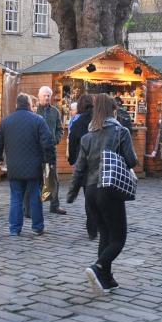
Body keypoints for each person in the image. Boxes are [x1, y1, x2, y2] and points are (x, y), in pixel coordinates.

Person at [67, 94, 138, 295]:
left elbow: (79, 168)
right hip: (109, 189)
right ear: (113, 110)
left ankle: (107, 279)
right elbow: (132, 161)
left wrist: (71, 194)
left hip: (90, 191)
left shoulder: (88, 137)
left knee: (105, 235)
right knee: (118, 239)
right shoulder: (120, 131)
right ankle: (98, 268)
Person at [0, 93, 57, 236]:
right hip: (34, 167)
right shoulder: (38, 120)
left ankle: (15, 228)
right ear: (29, 105)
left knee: (16, 198)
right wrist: (50, 161)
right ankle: (37, 227)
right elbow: (48, 143)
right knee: (35, 197)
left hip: (14, 166)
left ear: (16, 105)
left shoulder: (6, 121)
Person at [68, 94, 97, 239]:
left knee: (89, 196)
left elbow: (72, 142)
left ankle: (92, 229)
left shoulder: (78, 122)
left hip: (85, 164)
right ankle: (99, 224)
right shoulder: (99, 120)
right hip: (100, 163)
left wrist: (72, 159)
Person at [35, 86, 66, 214]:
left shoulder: (55, 112)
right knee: (36, 178)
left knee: (52, 178)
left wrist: (56, 140)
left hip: (50, 149)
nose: (47, 97)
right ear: (39, 96)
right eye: (44, 95)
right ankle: (35, 205)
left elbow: (60, 129)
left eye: (48, 95)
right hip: (36, 149)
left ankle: (54, 205)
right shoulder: (34, 110)